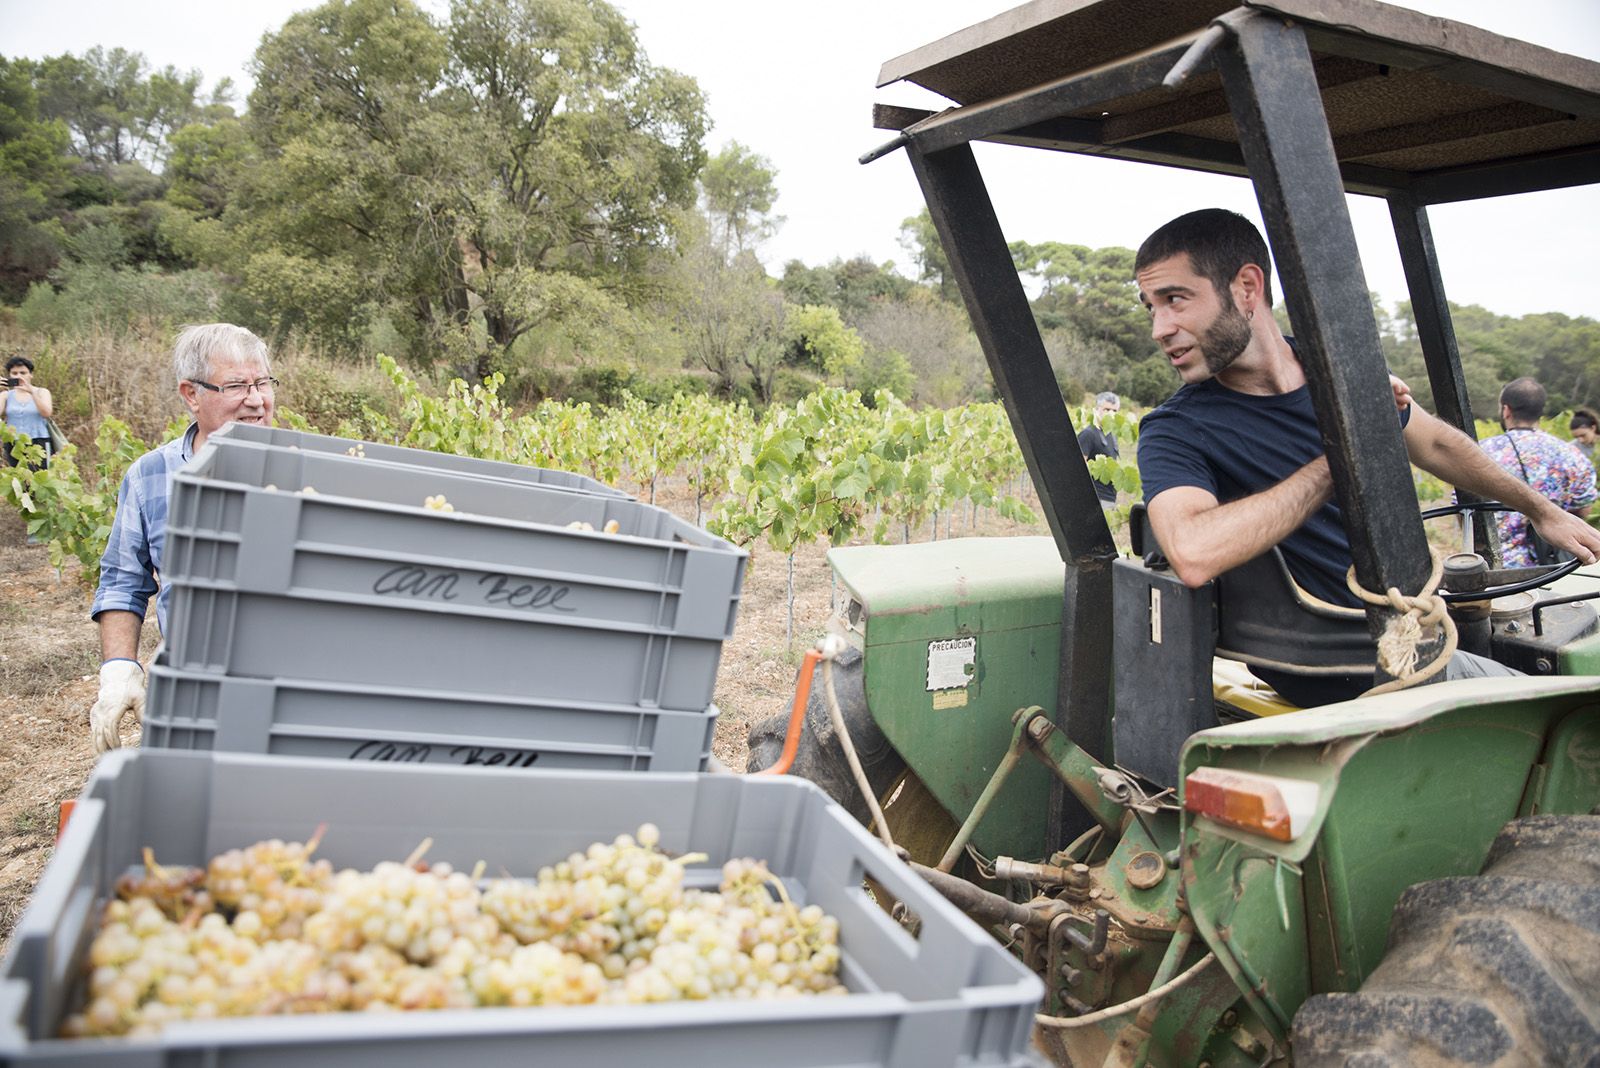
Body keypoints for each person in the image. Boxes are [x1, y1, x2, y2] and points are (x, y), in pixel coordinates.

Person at [1131, 209, 1600, 703]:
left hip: (1406, 632)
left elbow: (1437, 443)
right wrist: (1343, 454)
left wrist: (1542, 511)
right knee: (1578, 715)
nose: (1160, 328)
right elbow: (1193, 552)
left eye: (1175, 300)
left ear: (1247, 287)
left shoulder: (1340, 378)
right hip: (1355, 661)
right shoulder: (1176, 429)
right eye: (1152, 308)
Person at [88, 323, 276, 752]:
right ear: (191, 394)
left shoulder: (309, 469)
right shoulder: (150, 476)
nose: (256, 399)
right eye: (236, 386)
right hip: (195, 692)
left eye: (263, 383)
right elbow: (122, 583)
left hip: (294, 686)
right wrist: (119, 668)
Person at [1479, 378, 1595, 567]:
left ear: (1506, 410)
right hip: (1556, 565)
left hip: (1498, 569)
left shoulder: (1481, 452)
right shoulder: (1571, 454)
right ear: (1540, 412)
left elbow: (1463, 507)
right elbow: (1584, 508)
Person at [1, 355, 55, 468]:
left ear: (31, 374)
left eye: (23, 373)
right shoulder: (6, 395)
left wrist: (31, 392)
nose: (19, 376)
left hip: (39, 441)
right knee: (18, 479)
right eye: (14, 373)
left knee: (41, 475)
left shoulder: (42, 392)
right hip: (14, 444)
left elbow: (46, 413)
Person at [1078, 391, 1122, 509]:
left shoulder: (1111, 435)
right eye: (1106, 410)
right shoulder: (1088, 434)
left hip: (1110, 498)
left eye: (1114, 411)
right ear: (1097, 409)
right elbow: (1077, 470)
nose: (1110, 414)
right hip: (1094, 499)